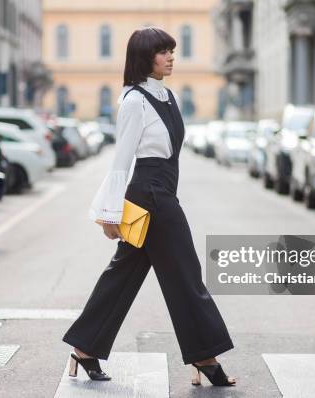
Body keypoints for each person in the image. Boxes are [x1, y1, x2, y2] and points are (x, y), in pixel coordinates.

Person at [62, 27, 236, 387]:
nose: (171, 56)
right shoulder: (134, 101)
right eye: (163, 51)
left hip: (161, 192)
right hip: (151, 197)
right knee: (186, 274)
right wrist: (109, 213)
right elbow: (121, 161)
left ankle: (84, 348)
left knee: (122, 275)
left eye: (172, 50)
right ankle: (204, 356)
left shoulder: (167, 96)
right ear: (145, 57)